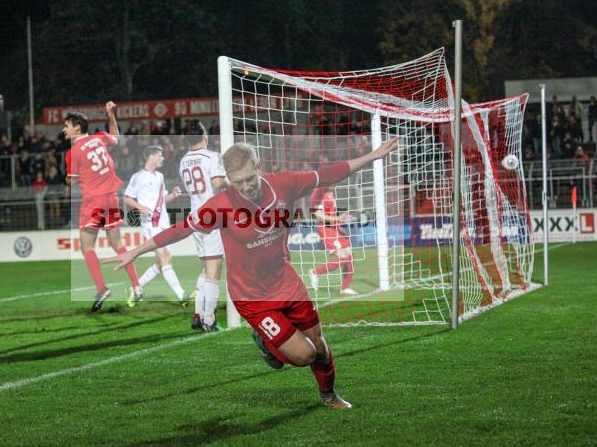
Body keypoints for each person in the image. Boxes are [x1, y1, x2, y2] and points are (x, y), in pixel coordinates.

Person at [105, 139, 398, 409]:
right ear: (228, 179)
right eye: (238, 182)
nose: (245, 186)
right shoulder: (221, 205)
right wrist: (136, 251)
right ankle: (265, 341)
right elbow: (180, 229)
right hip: (252, 296)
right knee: (304, 355)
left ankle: (329, 395)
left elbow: (328, 174)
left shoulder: (285, 183)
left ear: (258, 166)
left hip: (287, 283)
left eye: (249, 178)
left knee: (319, 346)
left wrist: (372, 156)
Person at [63, 102, 141, 312]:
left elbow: (72, 181)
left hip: (93, 200)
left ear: (77, 128)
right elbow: (116, 136)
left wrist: (70, 178)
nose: (64, 129)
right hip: (111, 197)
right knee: (118, 244)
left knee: (87, 247)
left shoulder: (72, 152)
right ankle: (137, 285)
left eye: (67, 126)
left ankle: (101, 288)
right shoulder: (99, 138)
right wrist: (111, 114)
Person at [178, 121, 227, 331]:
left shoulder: (183, 161)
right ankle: (209, 320)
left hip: (195, 216)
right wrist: (234, 182)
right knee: (214, 271)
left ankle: (198, 315)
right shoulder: (212, 156)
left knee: (205, 268)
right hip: (212, 216)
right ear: (204, 135)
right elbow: (217, 183)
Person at [123, 145, 185, 305]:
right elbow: (127, 198)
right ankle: (182, 296)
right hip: (151, 224)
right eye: (160, 155)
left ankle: (135, 289)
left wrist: (173, 195)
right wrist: (140, 207)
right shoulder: (138, 177)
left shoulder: (160, 176)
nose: (162, 158)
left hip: (164, 222)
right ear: (151, 156)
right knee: (164, 258)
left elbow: (162, 199)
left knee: (160, 263)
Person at [308, 187, 357, 295]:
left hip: (336, 226)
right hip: (327, 229)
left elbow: (329, 211)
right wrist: (338, 219)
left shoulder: (329, 190)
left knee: (350, 257)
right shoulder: (317, 193)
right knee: (344, 258)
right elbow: (319, 216)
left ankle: (345, 288)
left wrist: (341, 218)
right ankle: (315, 272)